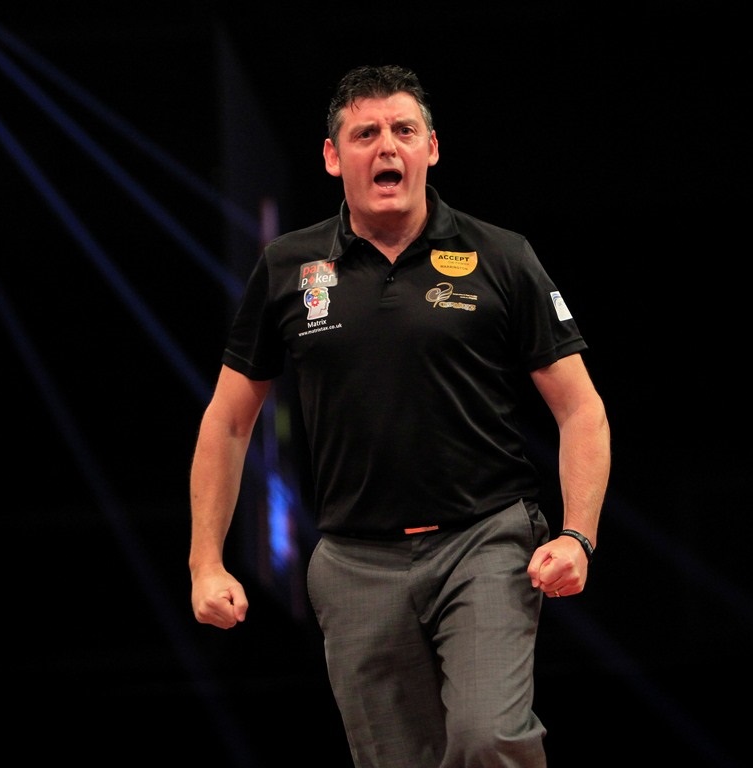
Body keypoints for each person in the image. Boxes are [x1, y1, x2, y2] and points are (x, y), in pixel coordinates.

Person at [189, 63, 611, 767]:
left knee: (487, 737)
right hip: (354, 561)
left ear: (431, 147)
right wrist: (205, 563)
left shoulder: (500, 255)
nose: (386, 146)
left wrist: (578, 536)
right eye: (365, 134)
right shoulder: (289, 266)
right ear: (333, 157)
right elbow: (228, 423)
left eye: (403, 130)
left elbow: (581, 409)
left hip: (484, 541)